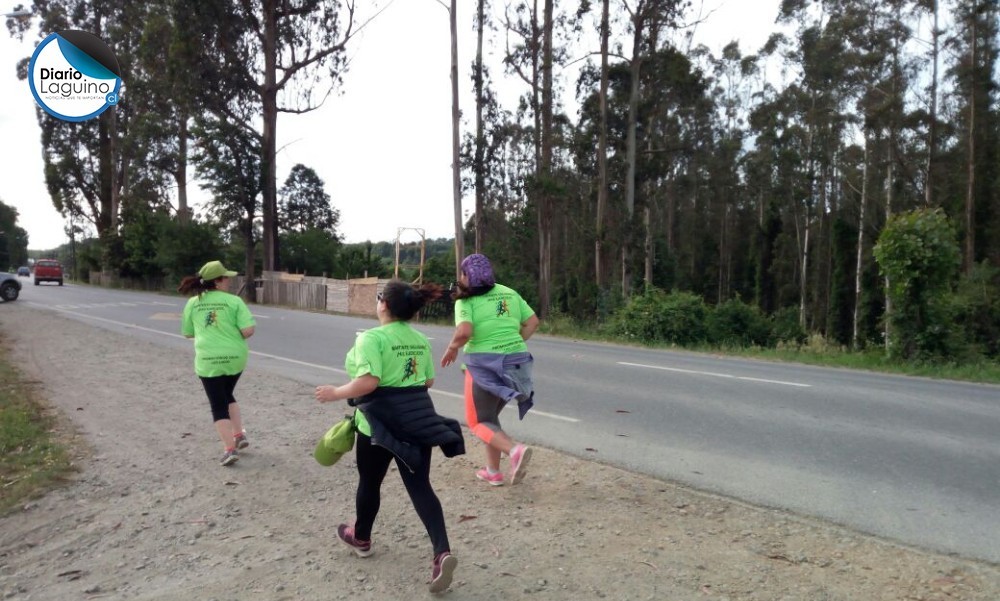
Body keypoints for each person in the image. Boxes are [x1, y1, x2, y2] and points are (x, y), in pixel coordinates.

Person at [315, 280, 464, 594]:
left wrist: (335, 393)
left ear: (383, 304)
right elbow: (428, 380)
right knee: (421, 487)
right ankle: (441, 552)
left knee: (370, 483)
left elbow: (368, 382)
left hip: (377, 426)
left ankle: (362, 539)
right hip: (417, 422)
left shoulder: (371, 338)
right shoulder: (420, 339)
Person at [440, 253, 540, 486]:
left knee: (477, 422)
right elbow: (533, 322)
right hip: (517, 362)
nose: (460, 278)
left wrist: (453, 347)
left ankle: (514, 451)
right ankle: (493, 471)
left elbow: (464, 332)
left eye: (461, 274)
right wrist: (514, 344)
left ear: (466, 275)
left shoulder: (465, 301)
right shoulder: (510, 292)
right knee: (489, 419)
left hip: (484, 365)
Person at [179, 260, 256, 467]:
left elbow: (188, 333)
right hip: (235, 359)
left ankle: (229, 450)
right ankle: (239, 435)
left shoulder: (193, 303)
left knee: (218, 404)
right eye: (226, 277)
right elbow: (248, 331)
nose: (229, 281)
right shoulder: (234, 302)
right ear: (218, 281)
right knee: (227, 394)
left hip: (208, 361)